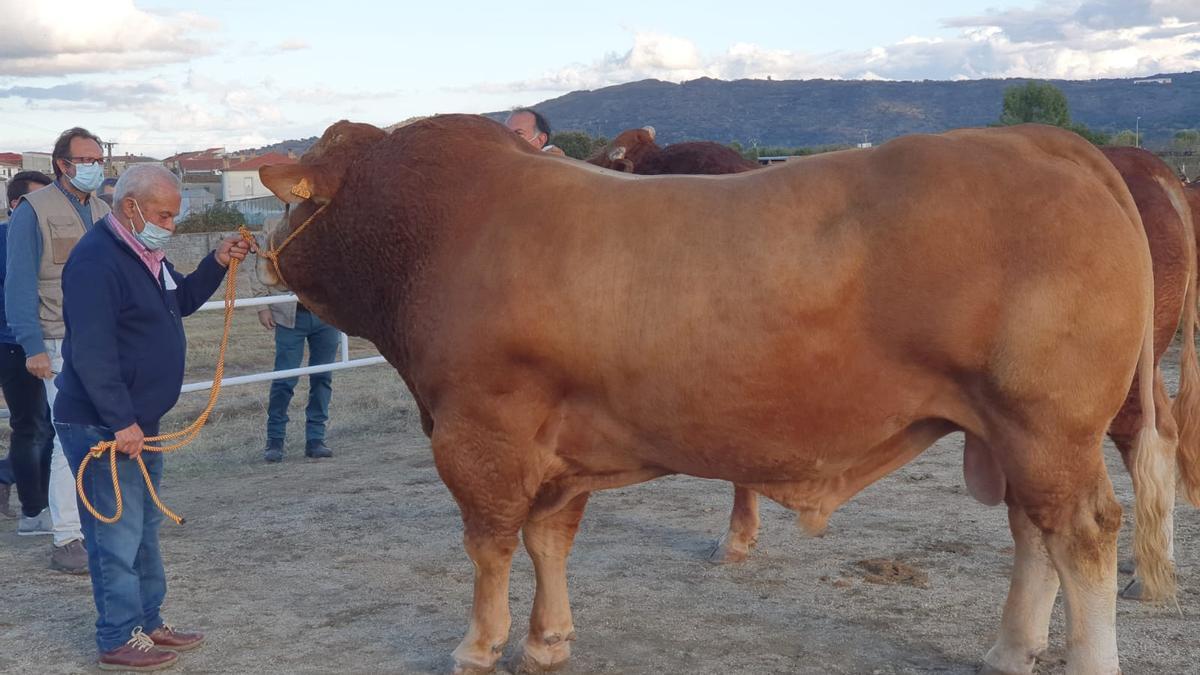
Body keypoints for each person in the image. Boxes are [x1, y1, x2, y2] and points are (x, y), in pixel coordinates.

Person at [55, 164, 254, 671]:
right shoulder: (96, 261)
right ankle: (118, 636)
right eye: (164, 214)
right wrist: (121, 422)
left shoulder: (146, 255)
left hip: (137, 424)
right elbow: (92, 353)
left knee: (142, 528)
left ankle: (147, 621)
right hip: (106, 426)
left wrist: (215, 261)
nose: (170, 223)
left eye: (173, 214)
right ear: (131, 207)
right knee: (116, 535)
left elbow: (180, 300)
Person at [5, 127, 110, 574]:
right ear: (62, 164)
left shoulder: (104, 210)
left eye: (98, 158)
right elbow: (19, 283)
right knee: (71, 440)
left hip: (101, 343)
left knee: (102, 436)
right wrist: (32, 346)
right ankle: (67, 538)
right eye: (86, 159)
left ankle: (97, 525)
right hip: (56, 340)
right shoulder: (34, 210)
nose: (95, 166)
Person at [1, 171, 55, 527]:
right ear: (16, 205)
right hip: (15, 345)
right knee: (32, 427)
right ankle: (33, 512)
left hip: (40, 340)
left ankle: (39, 503)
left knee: (45, 426)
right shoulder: (8, 240)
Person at [254, 265, 338, 462]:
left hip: (326, 314)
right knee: (284, 380)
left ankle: (316, 439)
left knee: (323, 377)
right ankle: (275, 440)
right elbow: (258, 267)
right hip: (289, 315)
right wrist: (262, 306)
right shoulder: (275, 234)